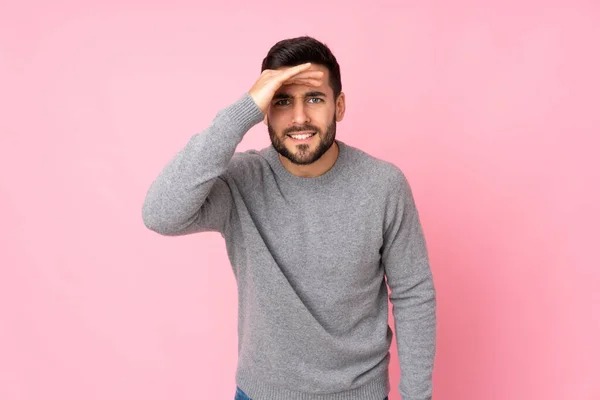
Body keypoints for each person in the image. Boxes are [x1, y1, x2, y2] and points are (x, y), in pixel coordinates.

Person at [142, 36, 436, 400]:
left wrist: (417, 397)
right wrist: (243, 110)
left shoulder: (383, 185)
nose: (299, 117)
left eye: (314, 99)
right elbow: (160, 214)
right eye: (281, 101)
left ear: (339, 106)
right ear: (264, 111)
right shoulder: (241, 181)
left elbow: (413, 293)